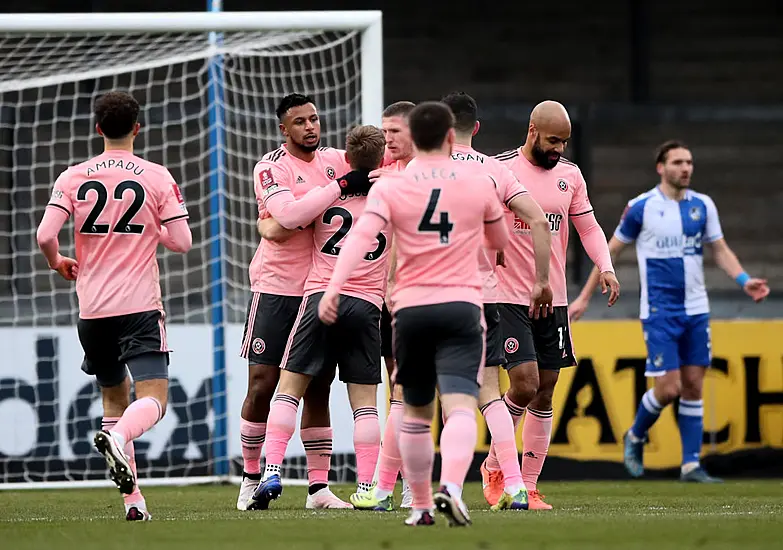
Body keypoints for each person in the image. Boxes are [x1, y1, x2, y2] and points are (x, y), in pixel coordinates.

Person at [319, 102, 509, 527]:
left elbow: (360, 239)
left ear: (410, 139)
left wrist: (333, 287)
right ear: (448, 138)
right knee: (460, 407)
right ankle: (453, 490)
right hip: (462, 305)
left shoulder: (391, 186)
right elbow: (499, 242)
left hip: (411, 309)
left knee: (415, 410)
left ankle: (420, 505)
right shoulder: (478, 181)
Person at [569, 140, 769, 482]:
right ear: (661, 167)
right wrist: (585, 297)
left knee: (694, 384)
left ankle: (691, 464)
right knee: (669, 389)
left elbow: (719, 249)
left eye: (689, 162)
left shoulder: (703, 206)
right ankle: (635, 434)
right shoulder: (641, 207)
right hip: (660, 311)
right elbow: (610, 252)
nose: (686, 168)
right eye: (678, 162)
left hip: (696, 309)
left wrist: (744, 279)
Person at [35, 91, 193, 521]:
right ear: (137, 128)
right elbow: (182, 243)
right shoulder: (157, 176)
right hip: (139, 306)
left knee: (112, 399)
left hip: (93, 310)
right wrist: (153, 227)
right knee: (154, 399)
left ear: (98, 128)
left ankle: (134, 502)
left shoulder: (73, 176)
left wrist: (57, 262)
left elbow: (45, 235)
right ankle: (120, 438)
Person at [237, 93, 373, 510]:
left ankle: (318, 489)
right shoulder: (271, 166)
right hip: (277, 287)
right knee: (262, 383)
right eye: (300, 122)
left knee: (318, 387)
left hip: (321, 290)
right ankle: (250, 478)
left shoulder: (337, 159)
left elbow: (285, 222)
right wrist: (337, 191)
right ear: (284, 128)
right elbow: (286, 220)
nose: (310, 127)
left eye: (314, 119)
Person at [484, 100, 619, 510]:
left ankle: (524, 483)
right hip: (509, 296)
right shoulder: (499, 168)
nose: (559, 148)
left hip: (554, 299)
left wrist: (606, 267)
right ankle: (499, 470)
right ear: (532, 131)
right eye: (553, 140)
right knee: (522, 384)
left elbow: (589, 226)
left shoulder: (570, 176)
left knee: (545, 392)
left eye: (565, 141)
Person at [441, 91, 554, 511]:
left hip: (429, 294)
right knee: (490, 395)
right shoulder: (495, 170)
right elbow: (540, 219)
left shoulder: (420, 171)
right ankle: (515, 485)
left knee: (419, 396)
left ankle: (394, 491)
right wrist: (540, 280)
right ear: (476, 128)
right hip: (483, 296)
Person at [350, 100, 417, 511]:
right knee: (393, 393)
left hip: (409, 298)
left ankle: (401, 486)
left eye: (396, 132)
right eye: (385, 132)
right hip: (371, 298)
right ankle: (384, 485)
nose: (388, 139)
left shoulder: (425, 177)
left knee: (407, 392)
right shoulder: (376, 175)